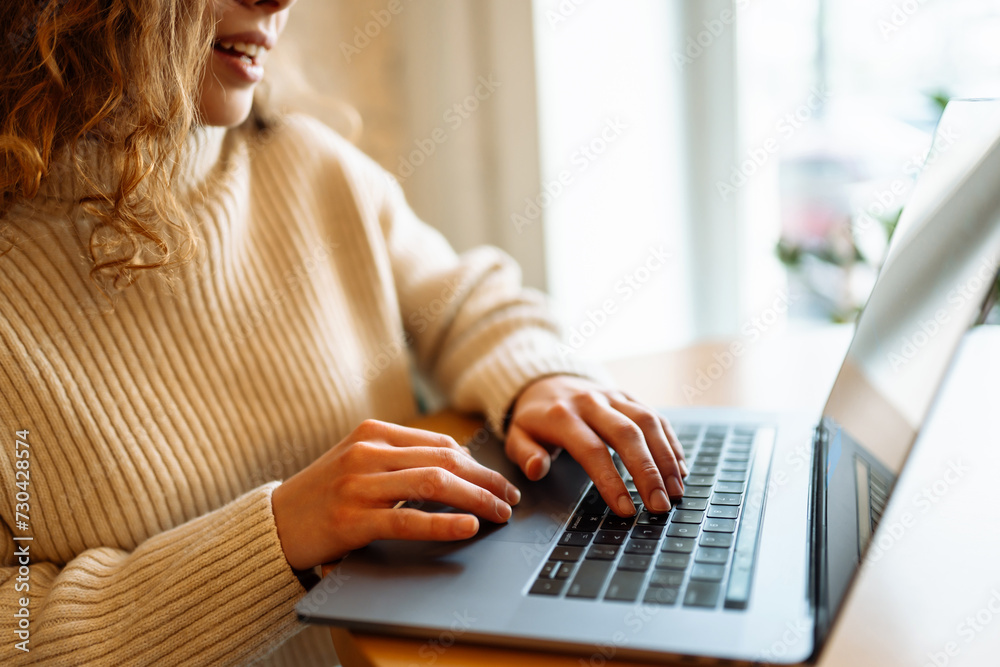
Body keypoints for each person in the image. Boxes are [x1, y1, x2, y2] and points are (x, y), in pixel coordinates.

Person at [0, 0, 688, 664]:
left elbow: (464, 300)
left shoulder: (306, 163)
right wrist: (275, 536)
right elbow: (18, 636)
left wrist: (540, 375)